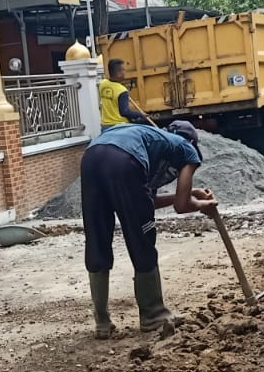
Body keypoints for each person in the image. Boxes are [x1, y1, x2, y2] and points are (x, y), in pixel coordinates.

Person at [80, 119, 216, 338]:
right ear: (192, 141)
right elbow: (181, 206)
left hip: (91, 157)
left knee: (97, 237)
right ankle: (153, 315)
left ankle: (102, 322)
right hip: (125, 162)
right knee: (141, 239)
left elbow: (147, 199)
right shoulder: (187, 149)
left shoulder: (148, 138)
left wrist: (193, 193)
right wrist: (202, 205)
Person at [99, 58, 154, 130]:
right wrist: (140, 115)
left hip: (105, 126)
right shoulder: (122, 91)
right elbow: (125, 112)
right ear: (118, 73)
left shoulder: (103, 84)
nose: (124, 72)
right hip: (120, 126)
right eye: (123, 70)